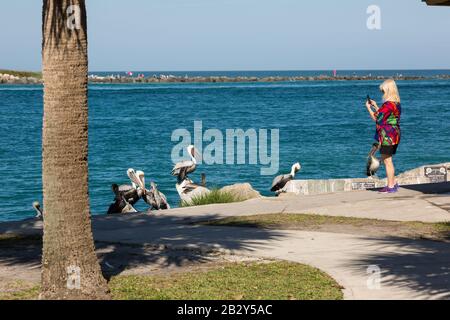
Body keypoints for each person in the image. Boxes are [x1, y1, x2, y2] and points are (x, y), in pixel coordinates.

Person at [366, 79, 402, 193]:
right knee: (389, 160)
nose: (382, 93)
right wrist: (376, 106)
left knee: (387, 161)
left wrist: (368, 107)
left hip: (387, 136)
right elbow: (384, 116)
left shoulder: (388, 104)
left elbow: (377, 119)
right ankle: (393, 184)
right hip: (394, 134)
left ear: (388, 90)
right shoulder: (396, 104)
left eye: (383, 91)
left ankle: (390, 186)